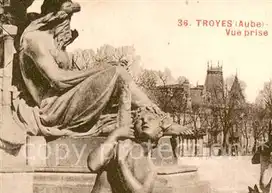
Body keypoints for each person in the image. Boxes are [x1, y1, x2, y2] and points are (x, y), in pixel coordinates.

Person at [14, 0, 163, 138]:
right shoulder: (35, 39)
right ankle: (157, 115)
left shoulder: (53, 40)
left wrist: (101, 71)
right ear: (55, 16)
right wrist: (101, 70)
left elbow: (70, 76)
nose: (68, 23)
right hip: (51, 109)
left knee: (118, 87)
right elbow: (59, 80)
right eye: (67, 18)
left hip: (64, 100)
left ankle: (155, 116)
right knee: (117, 73)